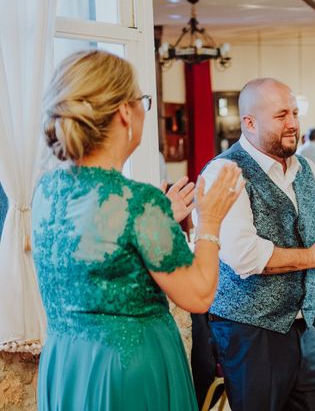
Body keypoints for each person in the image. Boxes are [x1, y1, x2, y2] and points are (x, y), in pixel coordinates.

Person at [32, 50, 243, 410]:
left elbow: (96, 248)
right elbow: (197, 295)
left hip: (67, 358)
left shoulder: (47, 189)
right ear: (125, 113)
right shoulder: (138, 202)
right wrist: (210, 221)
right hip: (126, 367)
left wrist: (161, 217)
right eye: (143, 101)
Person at [198, 77, 315, 411]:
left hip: (301, 321)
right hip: (248, 327)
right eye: (281, 116)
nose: (293, 124)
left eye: (294, 113)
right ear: (249, 122)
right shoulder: (225, 171)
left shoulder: (304, 168)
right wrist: (314, 255)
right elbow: (244, 255)